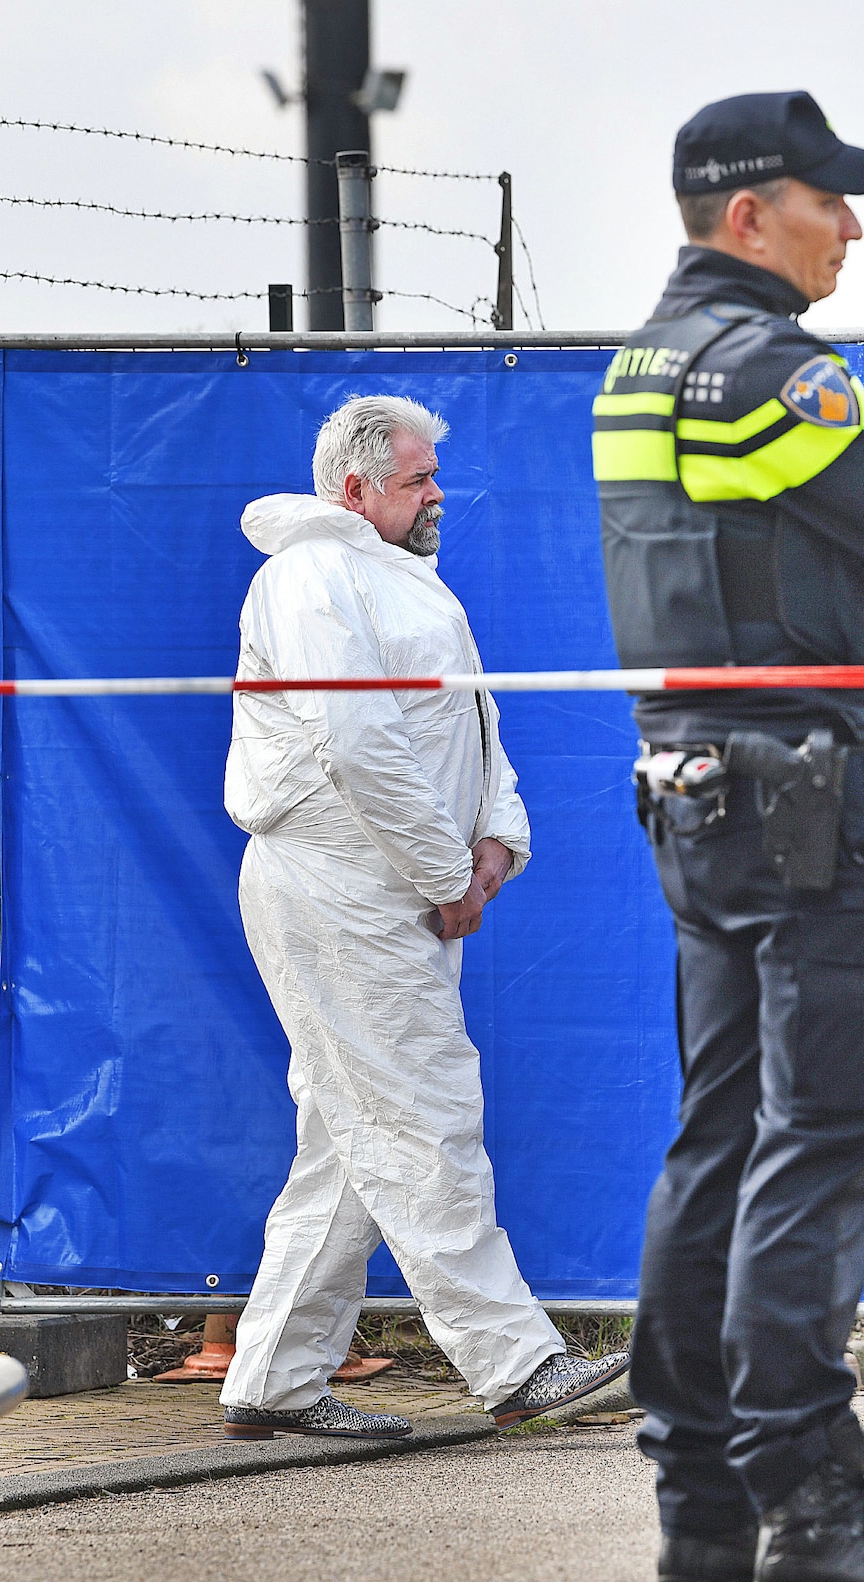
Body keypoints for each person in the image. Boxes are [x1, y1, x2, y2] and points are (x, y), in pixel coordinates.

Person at [593, 92, 864, 1582]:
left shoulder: (646, 359)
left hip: (702, 788)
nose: (856, 224)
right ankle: (813, 1504)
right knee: (813, 1156)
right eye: (831, 198)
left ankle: (705, 1517)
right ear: (749, 214)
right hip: (807, 794)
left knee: (717, 1142)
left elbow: (754, 551)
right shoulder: (770, 365)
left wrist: (850, 563)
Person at [219, 395, 629, 1442]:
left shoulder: (395, 580)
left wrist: (496, 838)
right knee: (420, 1116)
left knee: (352, 1132)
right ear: (355, 488)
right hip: (339, 886)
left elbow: (466, 721)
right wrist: (451, 869)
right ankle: (516, 1362)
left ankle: (271, 1374)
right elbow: (355, 744)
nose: (438, 491)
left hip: (386, 887)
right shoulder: (310, 577)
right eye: (417, 478)